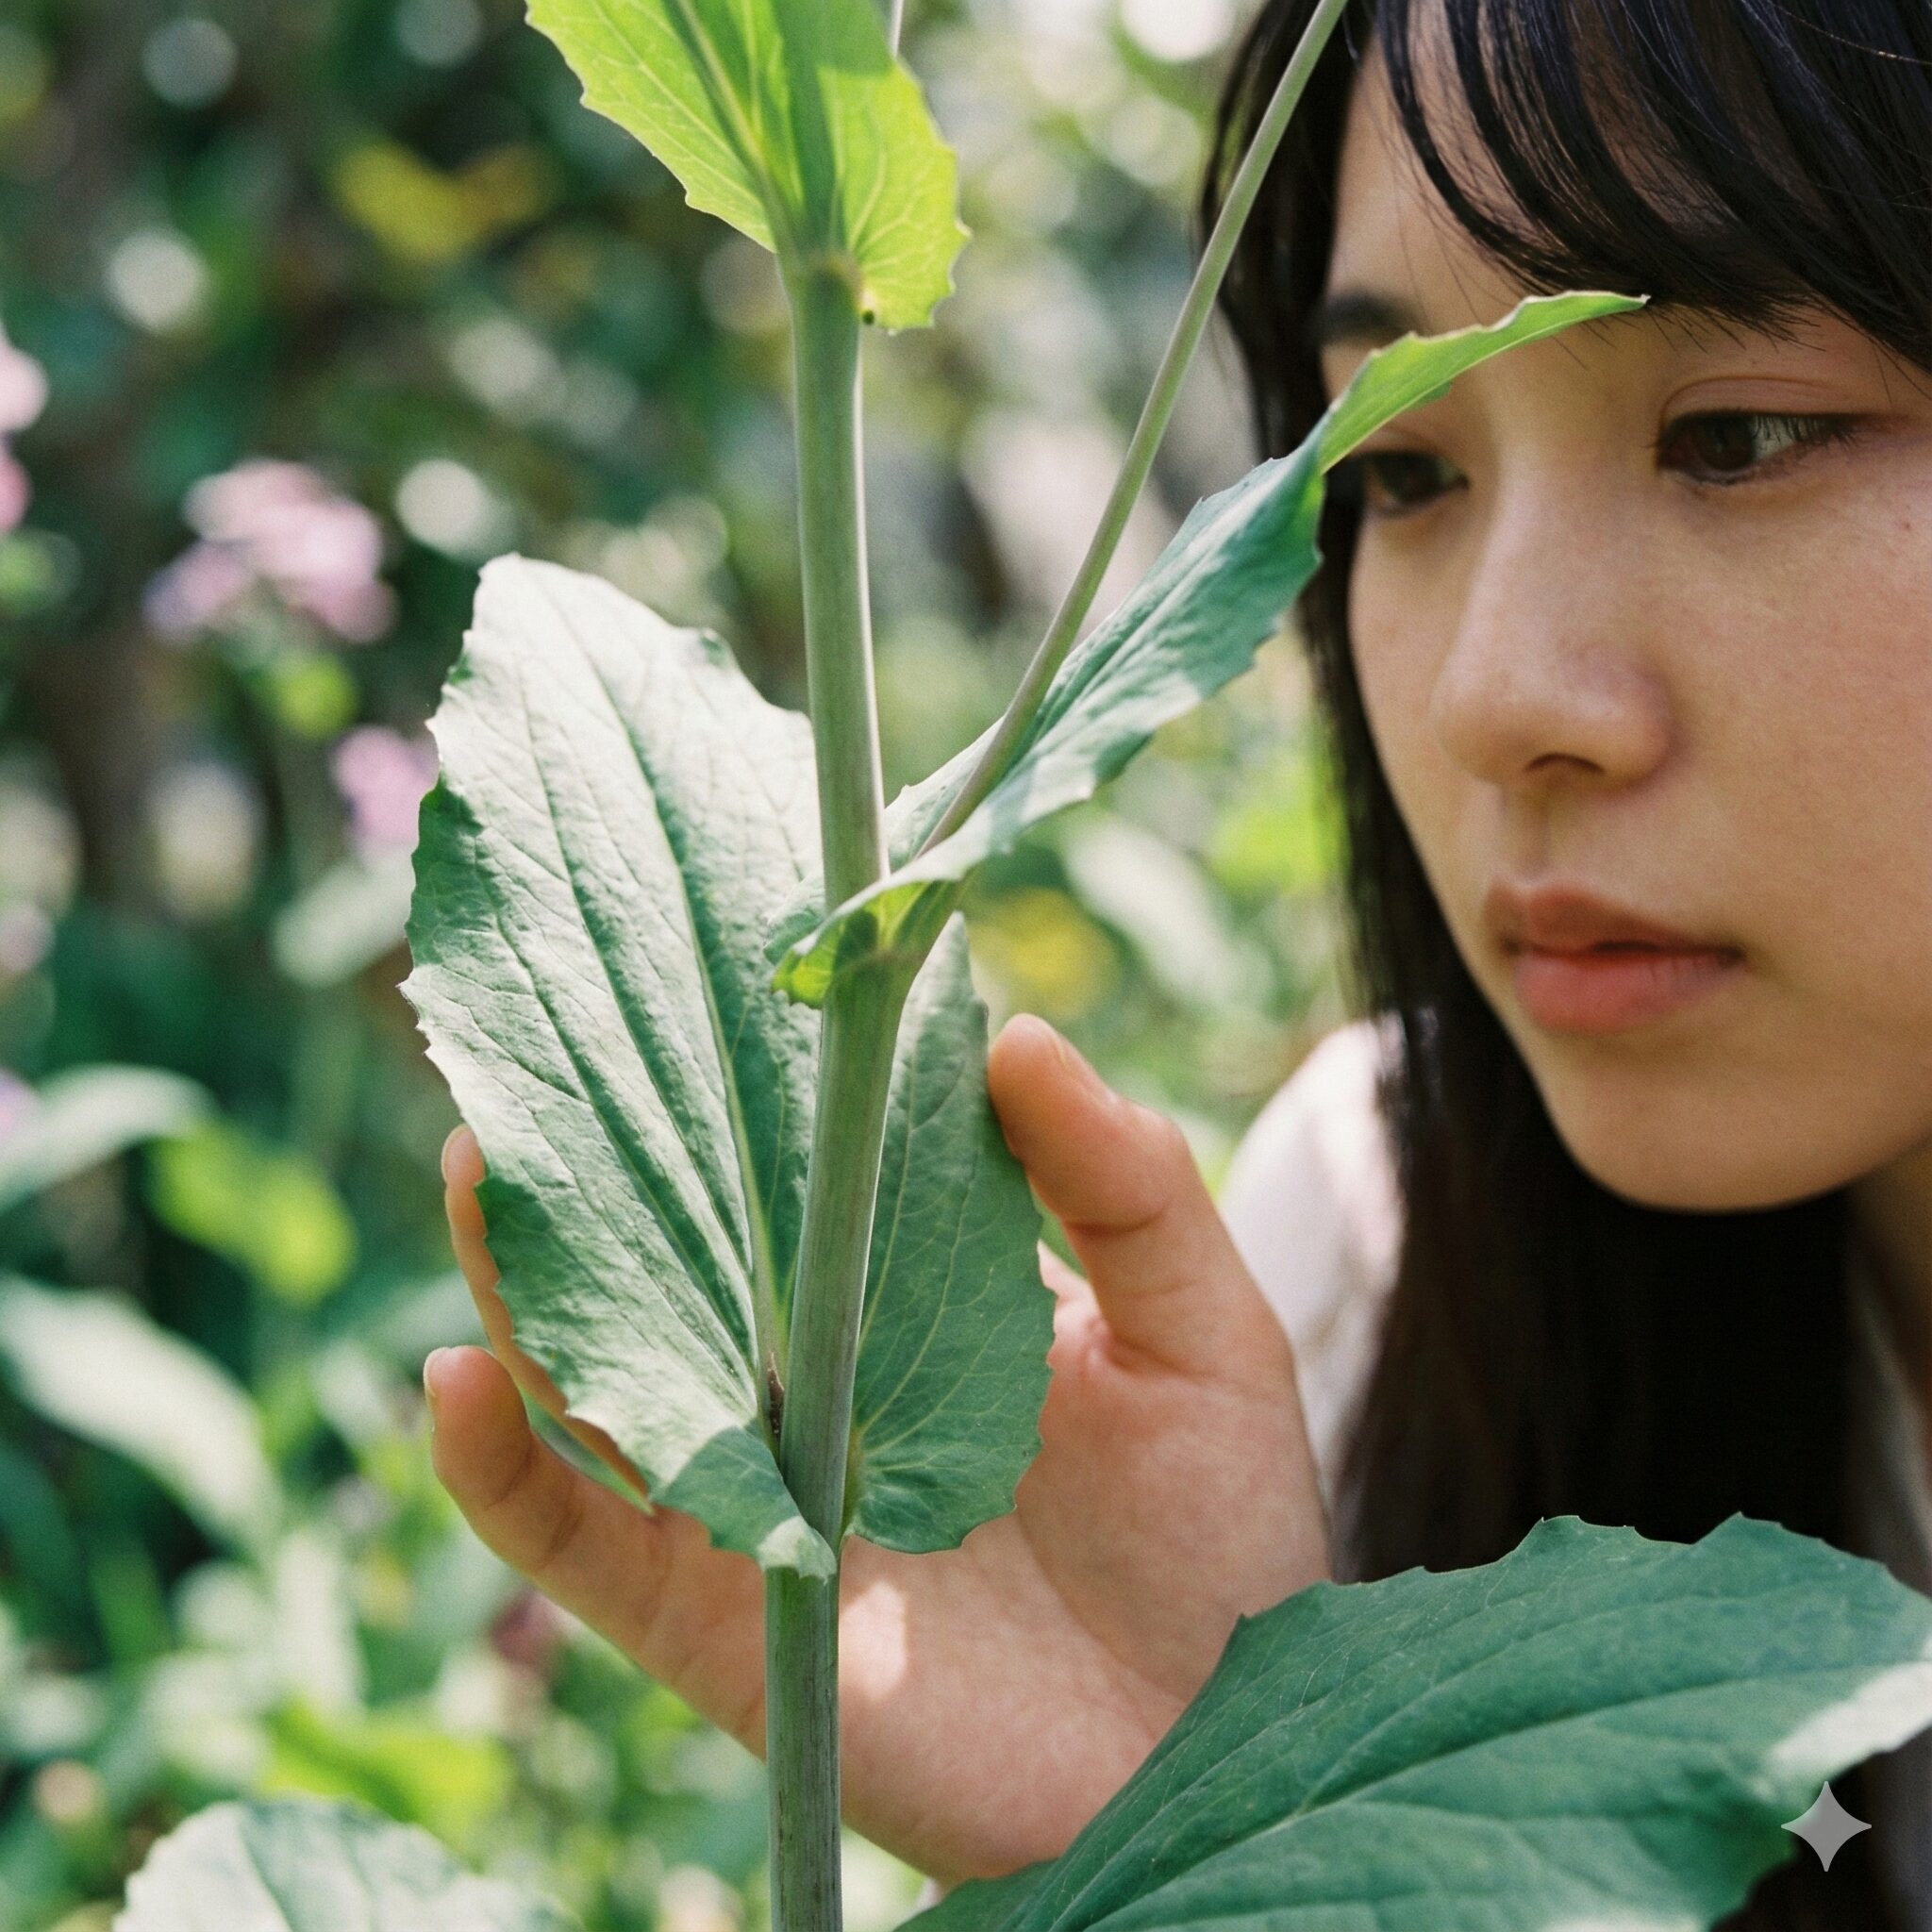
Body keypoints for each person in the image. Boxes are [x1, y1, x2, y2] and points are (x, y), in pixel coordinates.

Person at [421, 2, 1932, 1924]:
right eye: (1397, 468)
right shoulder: (1371, 1252)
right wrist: (1228, 1828)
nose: (1491, 698)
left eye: (1738, 434)